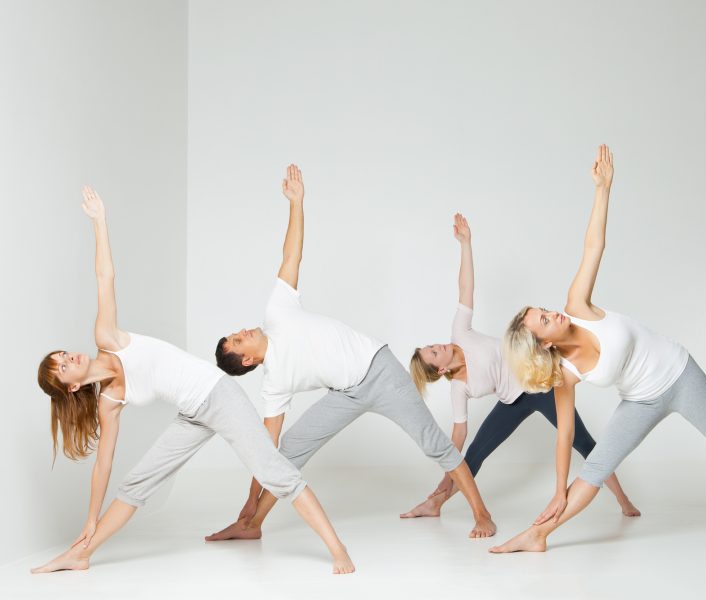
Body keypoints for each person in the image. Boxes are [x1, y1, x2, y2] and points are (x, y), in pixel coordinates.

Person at [489, 145, 706, 554]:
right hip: (641, 401)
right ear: (542, 344)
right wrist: (558, 490)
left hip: (681, 376)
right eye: (544, 320)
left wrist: (603, 190)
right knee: (594, 469)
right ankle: (537, 534)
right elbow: (566, 435)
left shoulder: (579, 306)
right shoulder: (566, 373)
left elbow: (594, 246)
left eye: (544, 310)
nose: (553, 313)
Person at [32, 185, 355, 574]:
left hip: (218, 394)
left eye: (63, 355)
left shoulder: (107, 338)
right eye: (64, 366)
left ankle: (338, 550)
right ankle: (82, 554)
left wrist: (100, 222)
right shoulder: (109, 401)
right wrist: (90, 518)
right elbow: (104, 464)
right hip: (193, 413)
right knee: (136, 484)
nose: (70, 358)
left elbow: (105, 276)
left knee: (275, 473)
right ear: (71, 387)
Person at [205, 165, 496, 542]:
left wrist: (297, 203)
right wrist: (249, 497)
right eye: (238, 341)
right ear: (247, 360)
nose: (242, 332)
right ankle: (252, 523)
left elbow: (291, 255)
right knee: (290, 449)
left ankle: (482, 513)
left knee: (434, 443)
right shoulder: (274, 382)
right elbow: (267, 448)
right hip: (345, 393)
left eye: (235, 333)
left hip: (380, 370)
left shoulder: (276, 311)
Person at [402, 213, 640, 519]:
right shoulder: (460, 388)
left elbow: (465, 289)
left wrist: (465, 245)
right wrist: (442, 481)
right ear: (442, 371)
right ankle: (435, 503)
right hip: (511, 402)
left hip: (540, 386)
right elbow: (457, 439)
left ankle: (623, 500)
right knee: (474, 453)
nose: (438, 346)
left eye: (433, 346)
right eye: (434, 353)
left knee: (583, 442)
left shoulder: (460, 332)